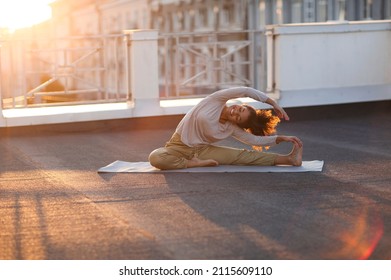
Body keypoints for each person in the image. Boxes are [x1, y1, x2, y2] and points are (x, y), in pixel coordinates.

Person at [149, 87, 303, 170]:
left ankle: (289, 159)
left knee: (244, 156)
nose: (235, 112)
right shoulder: (216, 100)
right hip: (178, 146)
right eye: (240, 109)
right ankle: (192, 163)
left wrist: (281, 138)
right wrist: (273, 103)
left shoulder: (231, 128)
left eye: (238, 118)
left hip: (203, 151)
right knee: (155, 157)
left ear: (237, 123)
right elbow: (246, 91)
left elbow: (254, 140)